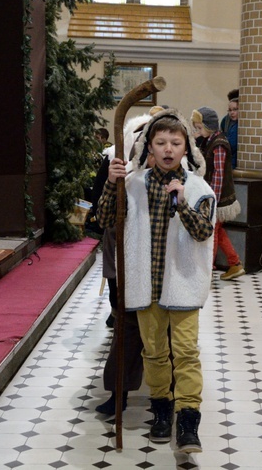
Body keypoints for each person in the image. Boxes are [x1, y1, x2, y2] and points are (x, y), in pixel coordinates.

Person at [98, 108, 215, 453]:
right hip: (144, 285)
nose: (167, 149)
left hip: (182, 282)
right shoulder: (131, 184)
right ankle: (162, 411)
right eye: (160, 142)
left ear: (185, 148)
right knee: (155, 354)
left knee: (186, 353)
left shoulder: (197, 187)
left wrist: (181, 203)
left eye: (175, 143)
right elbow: (104, 219)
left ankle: (189, 420)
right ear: (149, 147)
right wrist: (110, 182)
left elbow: (203, 231)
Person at [92, 113, 152, 417]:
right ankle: (118, 394)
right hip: (125, 266)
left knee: (161, 341)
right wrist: (113, 183)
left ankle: (164, 401)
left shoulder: (179, 180)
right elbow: (102, 217)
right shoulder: (122, 171)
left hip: (159, 273)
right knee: (126, 332)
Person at [192, 106, 245, 281]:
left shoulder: (219, 143)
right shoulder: (210, 140)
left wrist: (212, 200)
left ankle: (207, 271)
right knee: (219, 231)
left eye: (199, 127)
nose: (198, 131)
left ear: (208, 126)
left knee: (213, 233)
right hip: (214, 196)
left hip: (219, 198)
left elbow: (219, 175)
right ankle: (235, 263)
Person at [220, 88, 239, 168]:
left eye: (235, 109)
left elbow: (231, 145)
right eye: (230, 110)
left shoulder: (240, 125)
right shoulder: (225, 120)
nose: (232, 113)